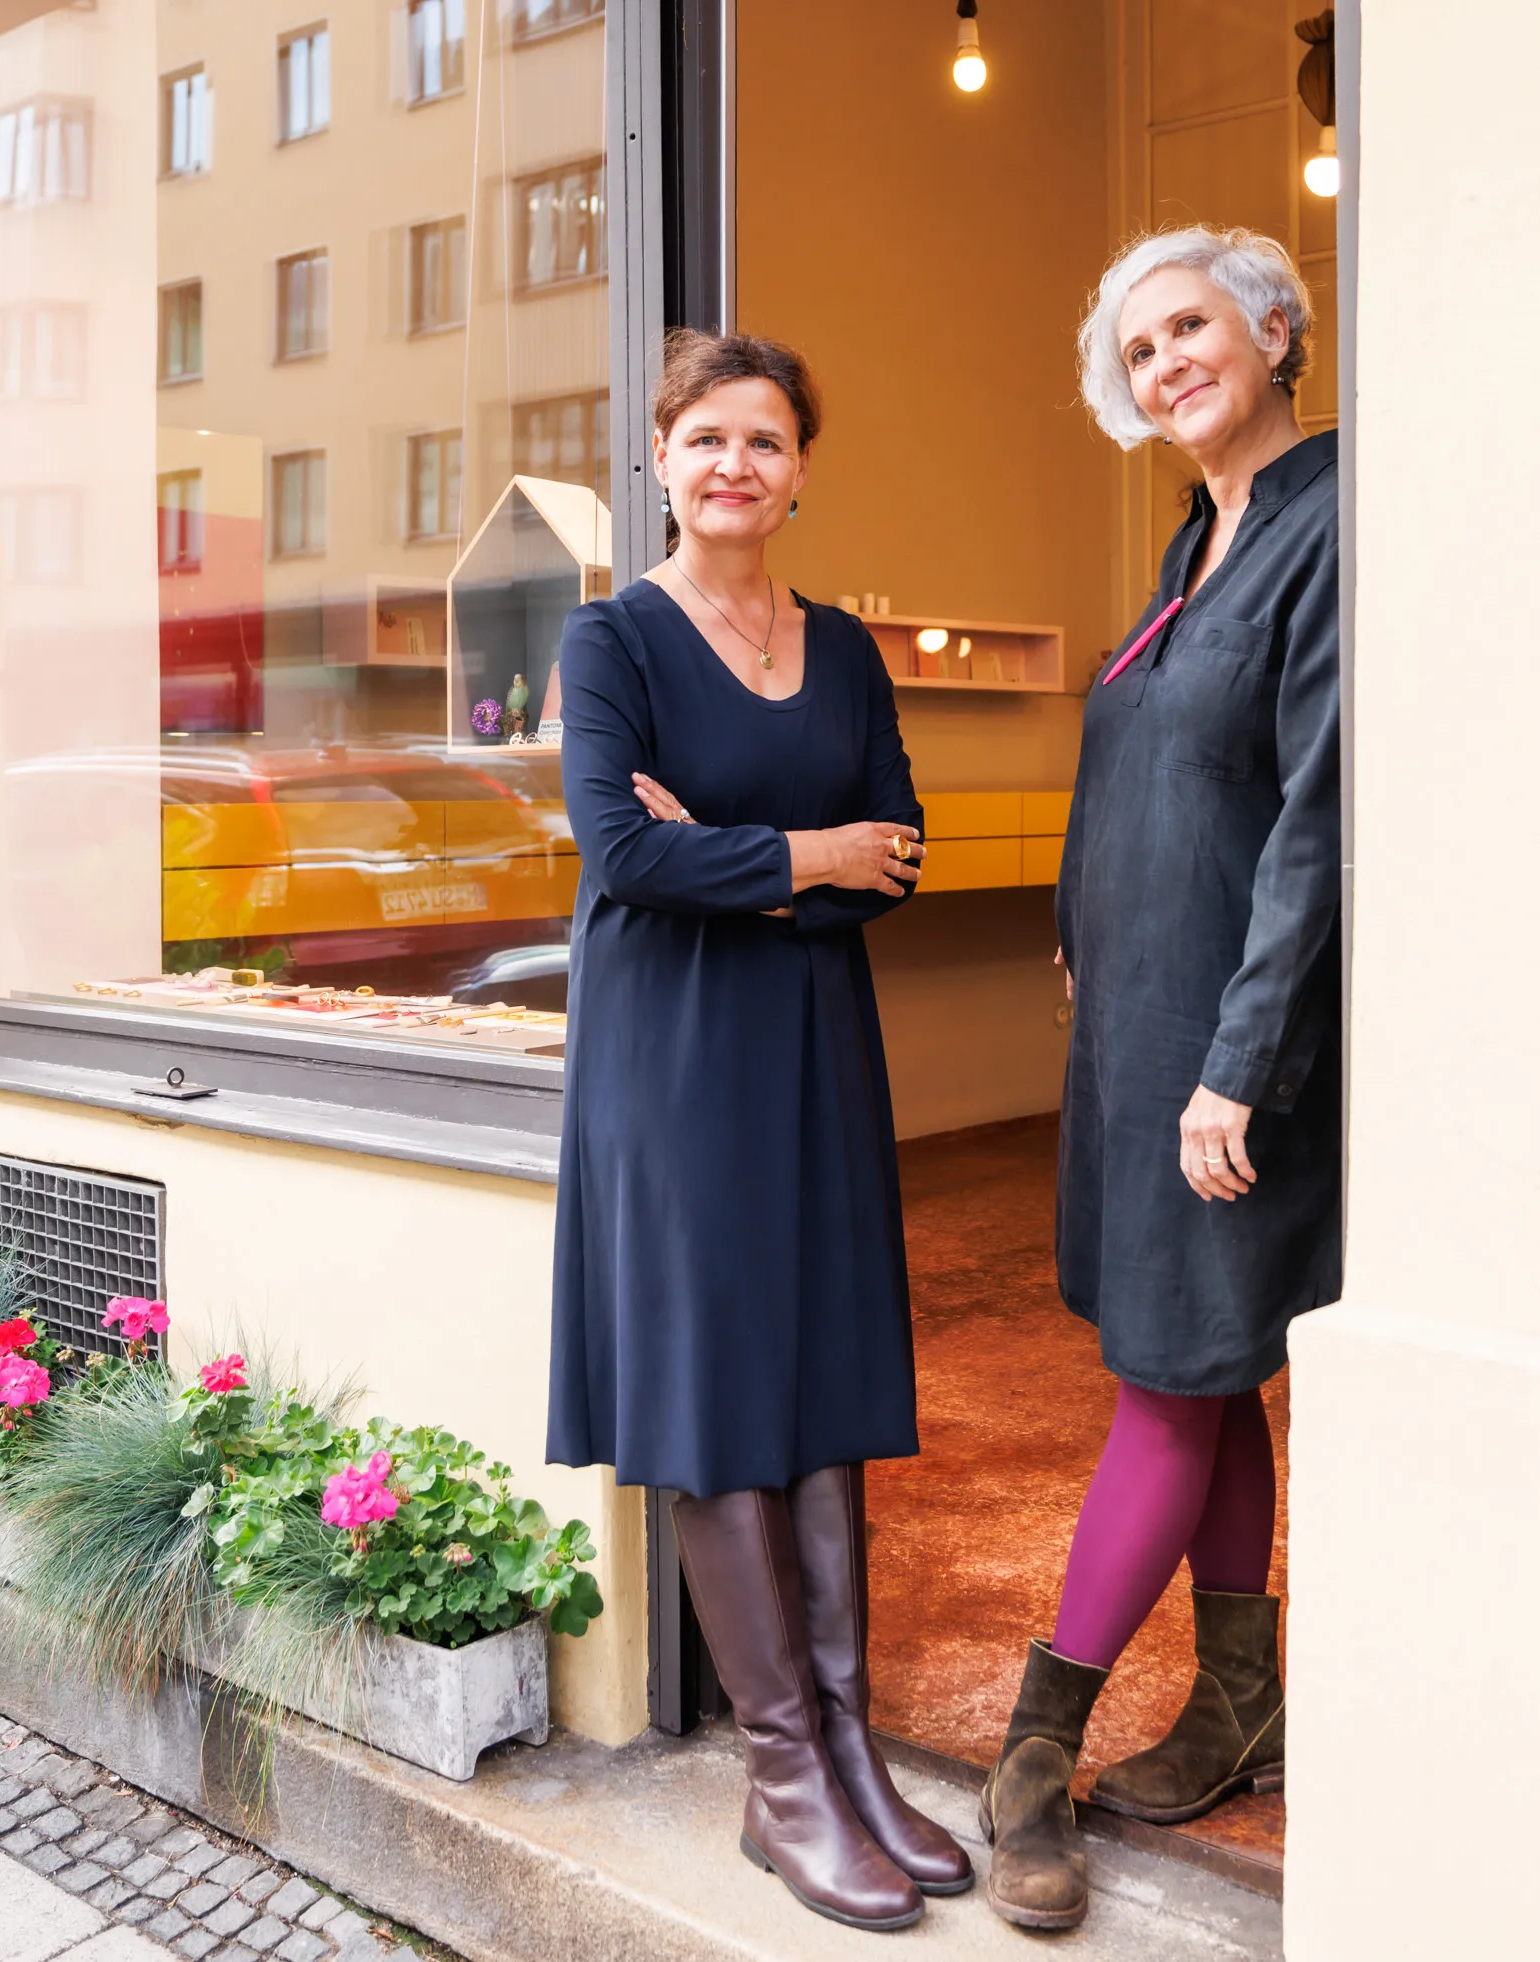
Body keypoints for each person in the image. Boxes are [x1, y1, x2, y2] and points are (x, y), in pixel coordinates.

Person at [547, 329, 973, 1932]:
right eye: (708, 437)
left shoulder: (848, 647)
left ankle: (850, 1756)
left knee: (821, 1379)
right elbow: (617, 854)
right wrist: (808, 856)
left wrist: (738, 850)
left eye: (768, 442)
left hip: (810, 1045)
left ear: (803, 470)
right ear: (661, 457)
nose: (738, 465)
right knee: (719, 1385)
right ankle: (782, 1775)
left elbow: (903, 847)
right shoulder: (613, 642)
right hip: (671, 1062)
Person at [982, 227, 1342, 1933]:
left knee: (1167, 1383)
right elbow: (1147, 774)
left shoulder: (1334, 522)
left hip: (1227, 1053)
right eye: (1138, 351)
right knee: (1214, 1368)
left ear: (1276, 330)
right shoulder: (1197, 539)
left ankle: (1031, 1745)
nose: (1165, 363)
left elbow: (1319, 823)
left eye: (1190, 326)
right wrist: (1078, 932)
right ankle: (1243, 1702)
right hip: (1135, 1038)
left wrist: (1239, 1065)